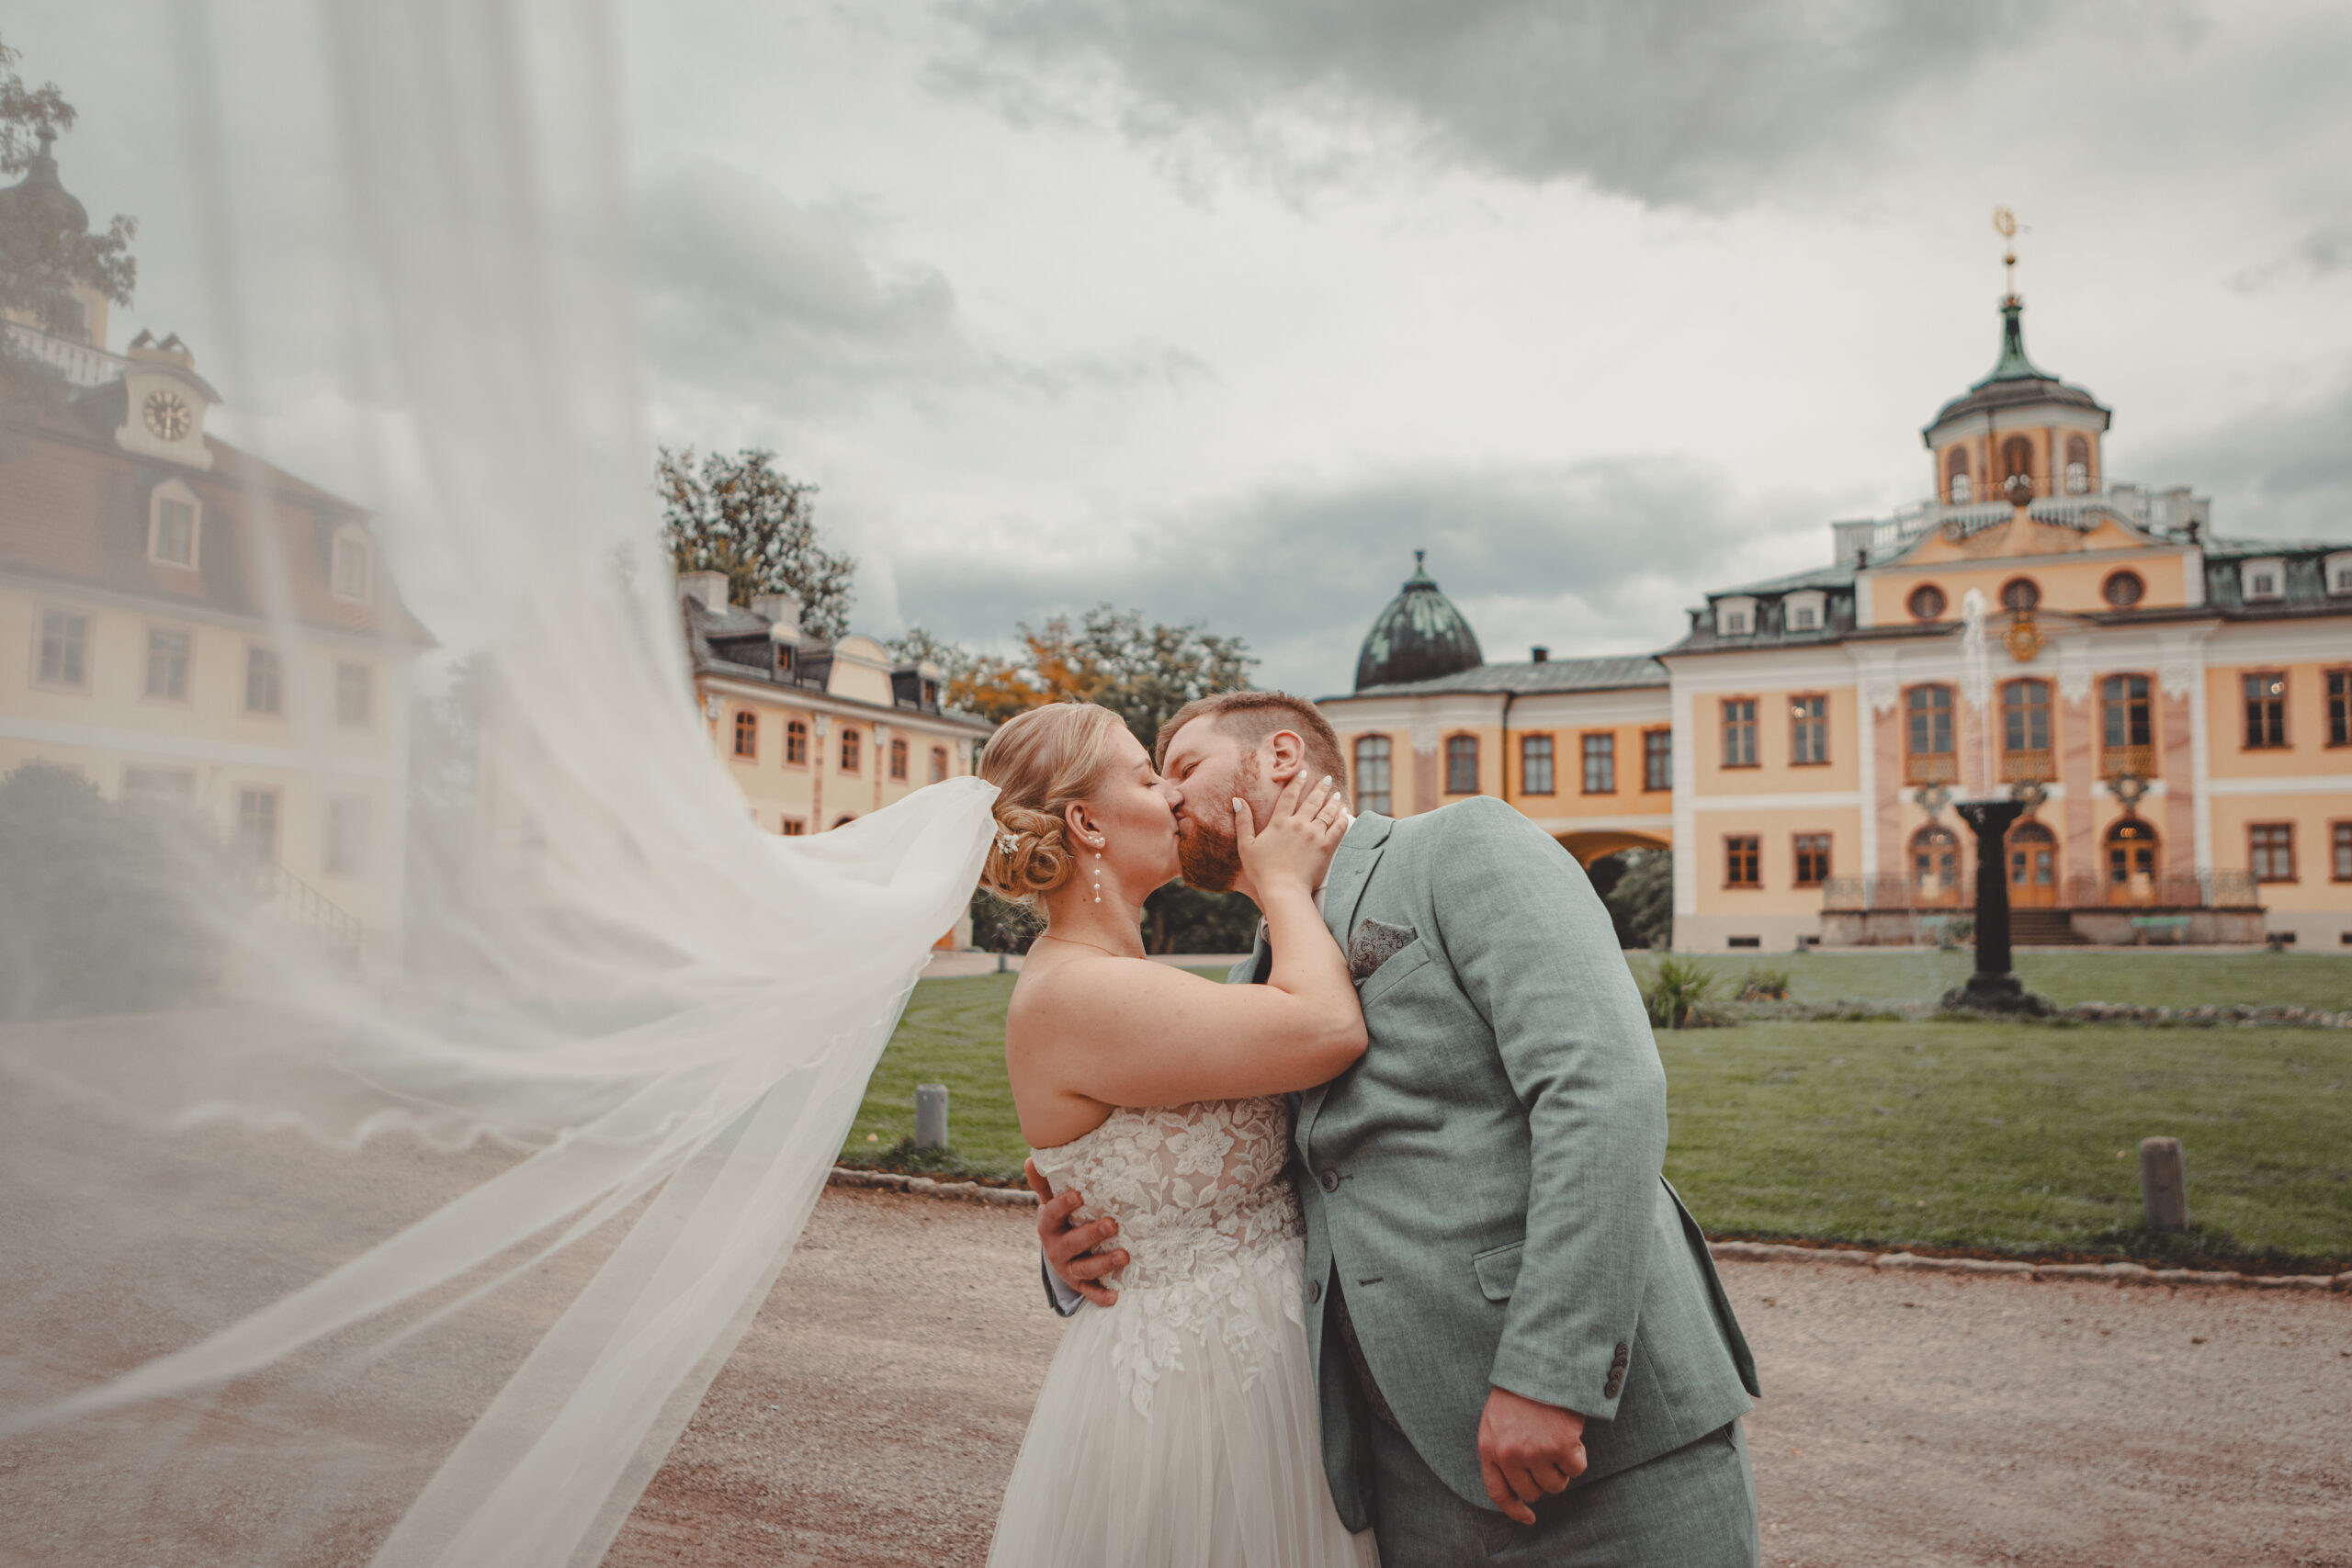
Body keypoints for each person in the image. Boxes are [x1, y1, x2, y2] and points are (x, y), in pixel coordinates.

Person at [1035, 691, 1763, 1567]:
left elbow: (1601, 1090)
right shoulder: (1250, 985)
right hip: (1398, 1483)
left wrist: (1550, 1376)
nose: (1170, 795)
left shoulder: (1462, 846)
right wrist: (1081, 1249)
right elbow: (1225, 1182)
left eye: (1184, 765)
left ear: (1278, 757)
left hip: (1604, 1456)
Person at [978, 700, 1379, 1568]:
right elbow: (1325, 1029)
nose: (1170, 796)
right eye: (1144, 773)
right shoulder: (1076, 992)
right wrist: (1279, 880)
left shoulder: (1123, 978)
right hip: (1195, 1392)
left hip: (1260, 1366)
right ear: (1085, 821)